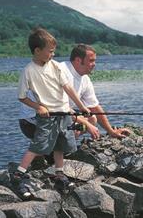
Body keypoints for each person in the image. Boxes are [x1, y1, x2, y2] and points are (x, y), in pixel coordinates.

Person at [14, 28, 90, 198]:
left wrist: (81, 106)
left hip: (63, 113)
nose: (53, 54)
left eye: (54, 51)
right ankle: (18, 174)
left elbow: (68, 88)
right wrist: (38, 107)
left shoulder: (56, 66)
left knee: (61, 144)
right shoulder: (28, 71)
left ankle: (59, 174)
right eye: (50, 51)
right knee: (39, 145)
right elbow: (21, 97)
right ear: (37, 51)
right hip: (47, 117)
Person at [19, 44, 129, 142]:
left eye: (94, 61)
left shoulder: (85, 79)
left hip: (56, 116)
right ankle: (50, 150)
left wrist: (111, 131)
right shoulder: (61, 71)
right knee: (85, 122)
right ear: (78, 60)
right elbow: (60, 107)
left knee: (92, 118)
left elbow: (94, 107)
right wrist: (86, 125)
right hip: (31, 122)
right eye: (91, 61)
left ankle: (60, 147)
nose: (94, 64)